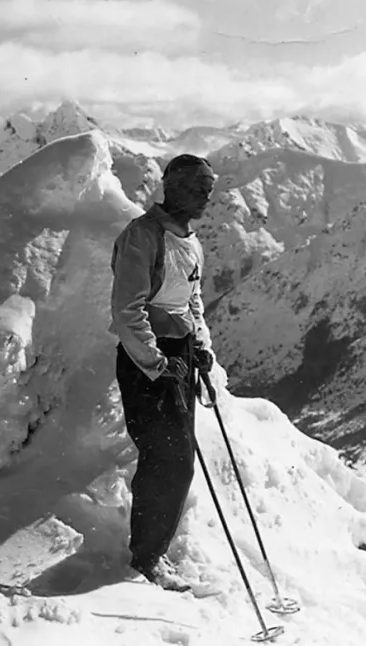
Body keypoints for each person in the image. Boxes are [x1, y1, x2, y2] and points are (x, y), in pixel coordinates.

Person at [109, 153, 217, 592]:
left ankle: (152, 553)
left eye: (208, 188)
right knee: (168, 460)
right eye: (195, 187)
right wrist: (156, 364)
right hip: (150, 364)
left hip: (178, 357)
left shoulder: (189, 240)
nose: (205, 195)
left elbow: (191, 301)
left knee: (176, 461)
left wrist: (202, 349)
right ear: (171, 187)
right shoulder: (144, 235)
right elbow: (126, 309)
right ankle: (147, 557)